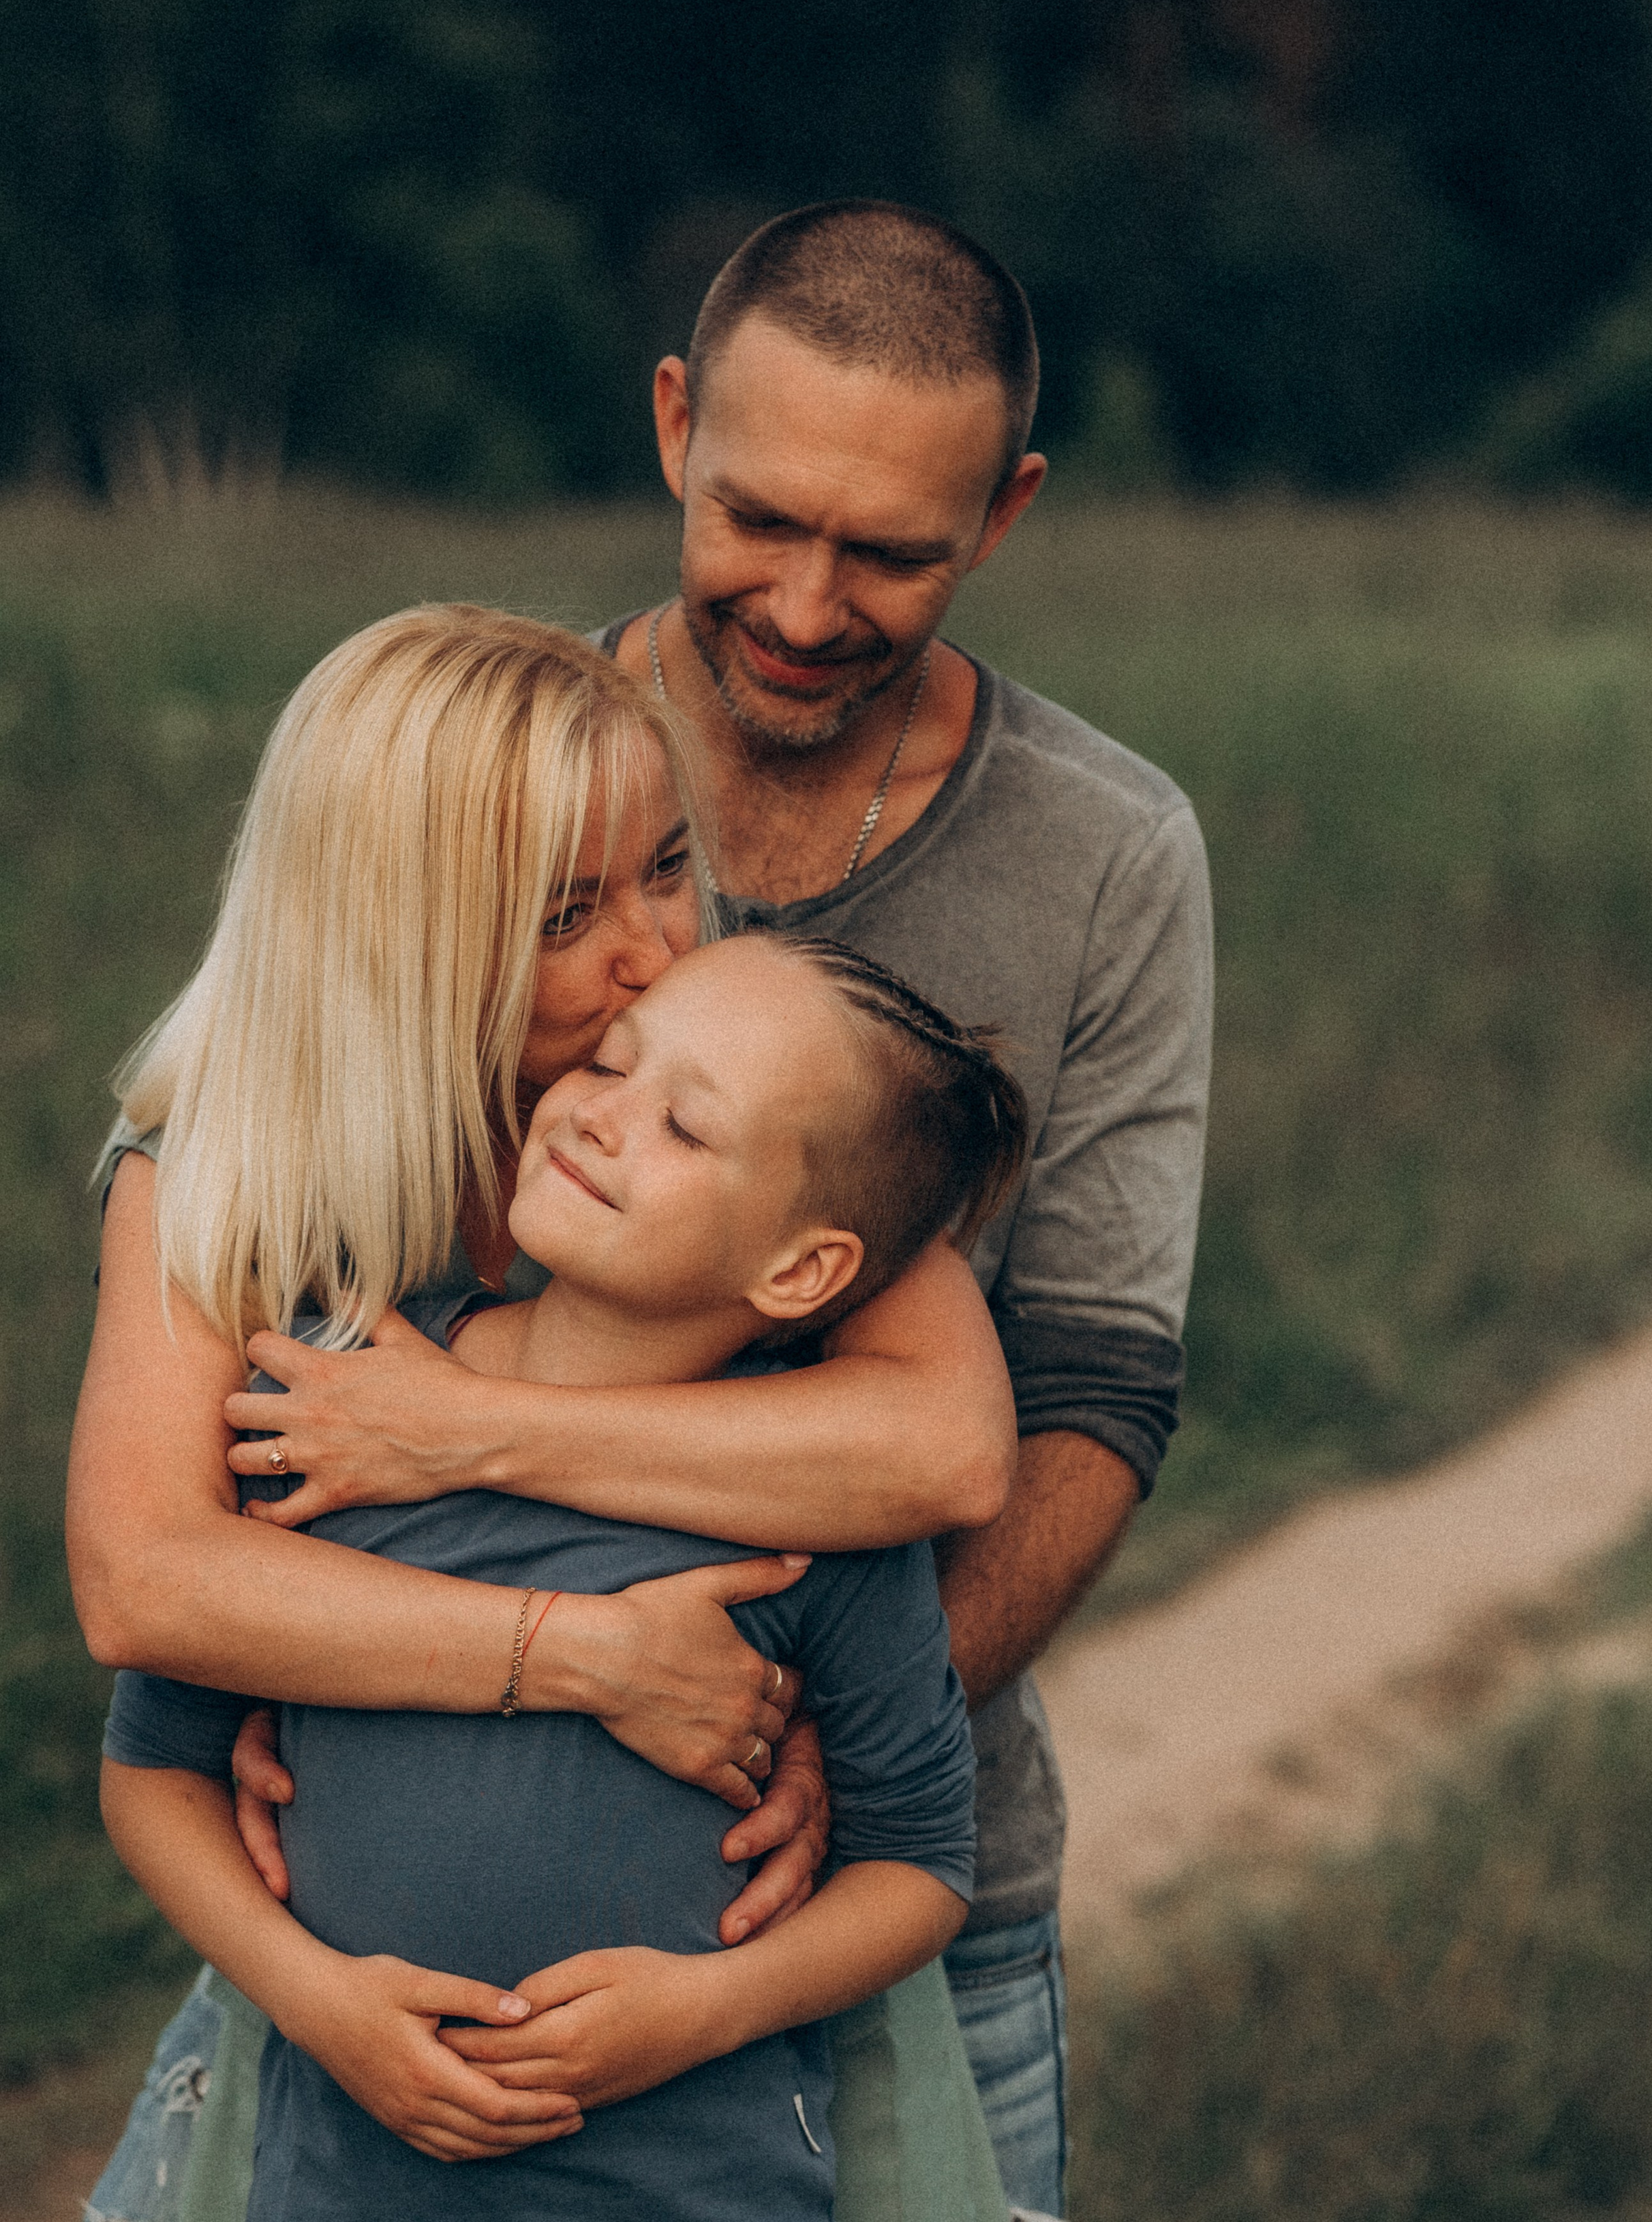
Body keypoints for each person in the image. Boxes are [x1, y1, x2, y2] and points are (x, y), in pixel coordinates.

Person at [221, 200, 1217, 2218]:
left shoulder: (1111, 856)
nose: (809, 600)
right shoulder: (494, 782)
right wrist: (304, 1665)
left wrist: (843, 1739)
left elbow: (1080, 1397)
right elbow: (283, 1299)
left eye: (894, 551)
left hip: (872, 1886)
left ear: (1005, 514)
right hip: (380, 1931)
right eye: (760, 516)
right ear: (674, 422)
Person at [70, 603, 1018, 2222]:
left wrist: (460, 1438)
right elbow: (148, 1586)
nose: (651, 944)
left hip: (705, 2111)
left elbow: (941, 1447)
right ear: (404, 927)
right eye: (567, 911)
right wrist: (581, 1658)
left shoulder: (732, 1100)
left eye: (665, 866)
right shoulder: (231, 1176)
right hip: (367, 2077)